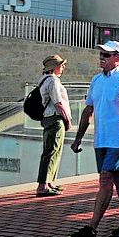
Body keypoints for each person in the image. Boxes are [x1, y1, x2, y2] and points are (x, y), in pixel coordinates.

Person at [68, 41, 119, 237]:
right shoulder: (96, 80)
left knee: (105, 179)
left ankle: (91, 228)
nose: (101, 57)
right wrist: (78, 138)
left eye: (107, 55)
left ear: (118, 58)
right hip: (101, 140)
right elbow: (88, 110)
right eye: (101, 54)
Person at [36, 55, 71, 196]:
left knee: (54, 151)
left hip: (48, 118)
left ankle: (50, 182)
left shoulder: (44, 80)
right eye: (61, 65)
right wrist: (67, 120)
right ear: (54, 67)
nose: (63, 68)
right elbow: (58, 103)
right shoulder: (52, 81)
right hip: (55, 118)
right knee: (51, 151)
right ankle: (43, 185)